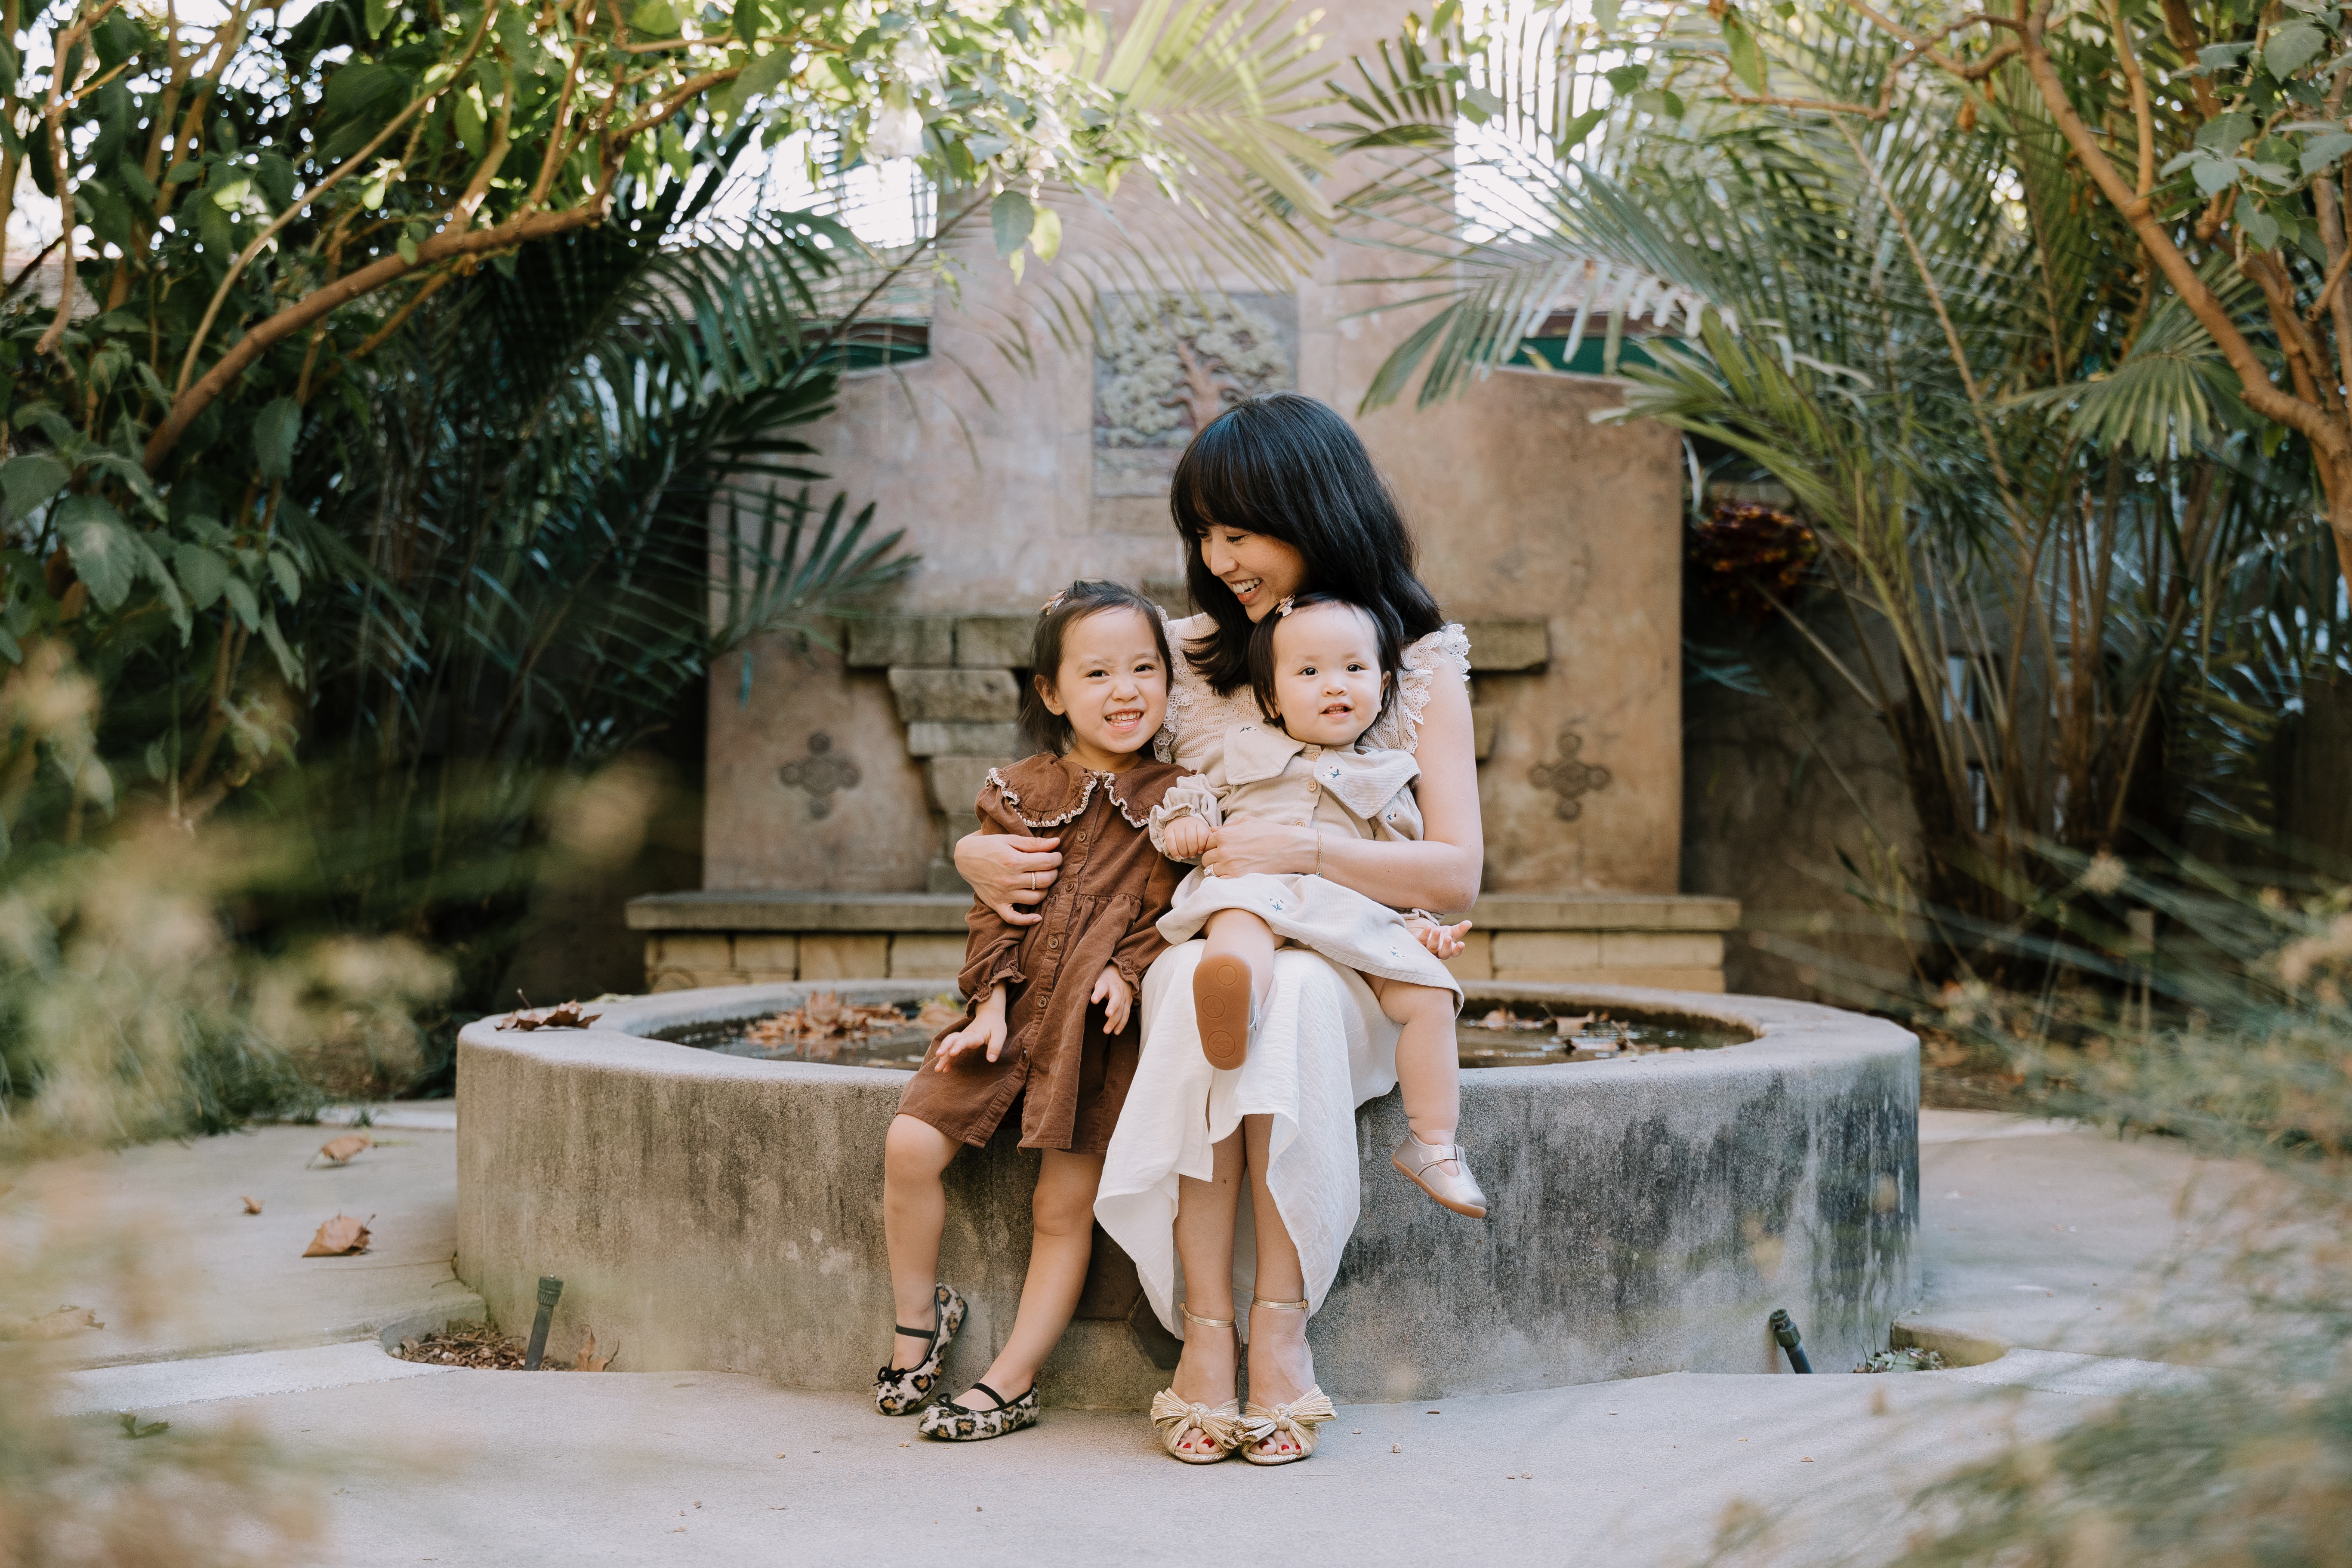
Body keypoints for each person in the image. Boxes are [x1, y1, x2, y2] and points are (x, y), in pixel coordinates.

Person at [953, 393, 1483, 1467]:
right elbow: (1080, 771)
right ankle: (1206, 1331)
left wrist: (1306, 849)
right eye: (1202, 533)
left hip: (1348, 954)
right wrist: (974, 846)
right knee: (1213, 988)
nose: (1216, 558)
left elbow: (1455, 871)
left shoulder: (1412, 659)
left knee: (1293, 997)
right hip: (1205, 938)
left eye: (1237, 531)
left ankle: (1276, 1331)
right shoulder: (1187, 655)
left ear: (1312, 509)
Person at [877, 580, 1187, 1442]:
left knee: (1061, 1204)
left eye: (1144, 669)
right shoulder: (1017, 791)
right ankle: (918, 1319)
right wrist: (987, 1003)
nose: (1125, 690)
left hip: (1096, 1038)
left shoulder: (1181, 800)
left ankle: (1011, 1380)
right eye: (1097, 672)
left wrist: (1128, 972)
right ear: (1052, 692)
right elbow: (995, 913)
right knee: (910, 1142)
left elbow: (1174, 910)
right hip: (1008, 1016)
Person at [1147, 591, 1483, 1217]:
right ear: (1271, 697)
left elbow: (1399, 864)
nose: (1335, 685)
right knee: (1238, 920)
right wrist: (1186, 825)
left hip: (1345, 914)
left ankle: (1434, 1142)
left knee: (1431, 994)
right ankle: (1236, 1003)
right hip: (1257, 888)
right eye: (1309, 672)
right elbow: (1192, 796)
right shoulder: (1241, 751)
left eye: (1354, 669)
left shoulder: (1389, 776)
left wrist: (1419, 926)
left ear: (1384, 687)